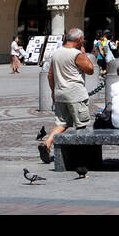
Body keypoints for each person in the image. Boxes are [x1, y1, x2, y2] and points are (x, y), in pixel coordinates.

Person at [41, 28, 95, 164]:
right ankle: (81, 156)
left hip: (60, 93)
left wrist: (53, 92)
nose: (83, 41)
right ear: (78, 40)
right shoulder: (76, 53)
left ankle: (47, 143)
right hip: (76, 94)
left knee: (62, 123)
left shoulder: (56, 53)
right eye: (82, 39)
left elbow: (50, 75)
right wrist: (83, 52)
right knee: (81, 125)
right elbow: (90, 70)